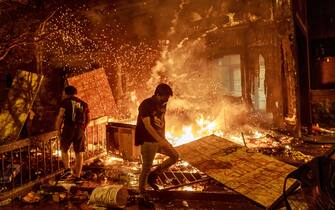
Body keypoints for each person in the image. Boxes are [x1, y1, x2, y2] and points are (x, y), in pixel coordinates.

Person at [135, 83, 179, 206]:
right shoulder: (146, 104)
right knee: (146, 167)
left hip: (159, 139)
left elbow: (162, 121)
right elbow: (147, 125)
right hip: (148, 140)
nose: (166, 100)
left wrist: (164, 138)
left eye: (168, 98)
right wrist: (160, 140)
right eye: (165, 97)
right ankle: (142, 192)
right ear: (158, 94)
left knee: (175, 156)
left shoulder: (163, 103)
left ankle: (154, 175)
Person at [55, 85, 89, 181]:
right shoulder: (84, 104)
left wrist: (58, 129)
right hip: (80, 130)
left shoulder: (65, 102)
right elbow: (88, 119)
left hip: (68, 129)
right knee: (79, 152)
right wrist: (83, 128)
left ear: (66, 93)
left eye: (63, 93)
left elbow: (61, 116)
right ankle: (77, 175)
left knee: (64, 149)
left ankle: (67, 169)